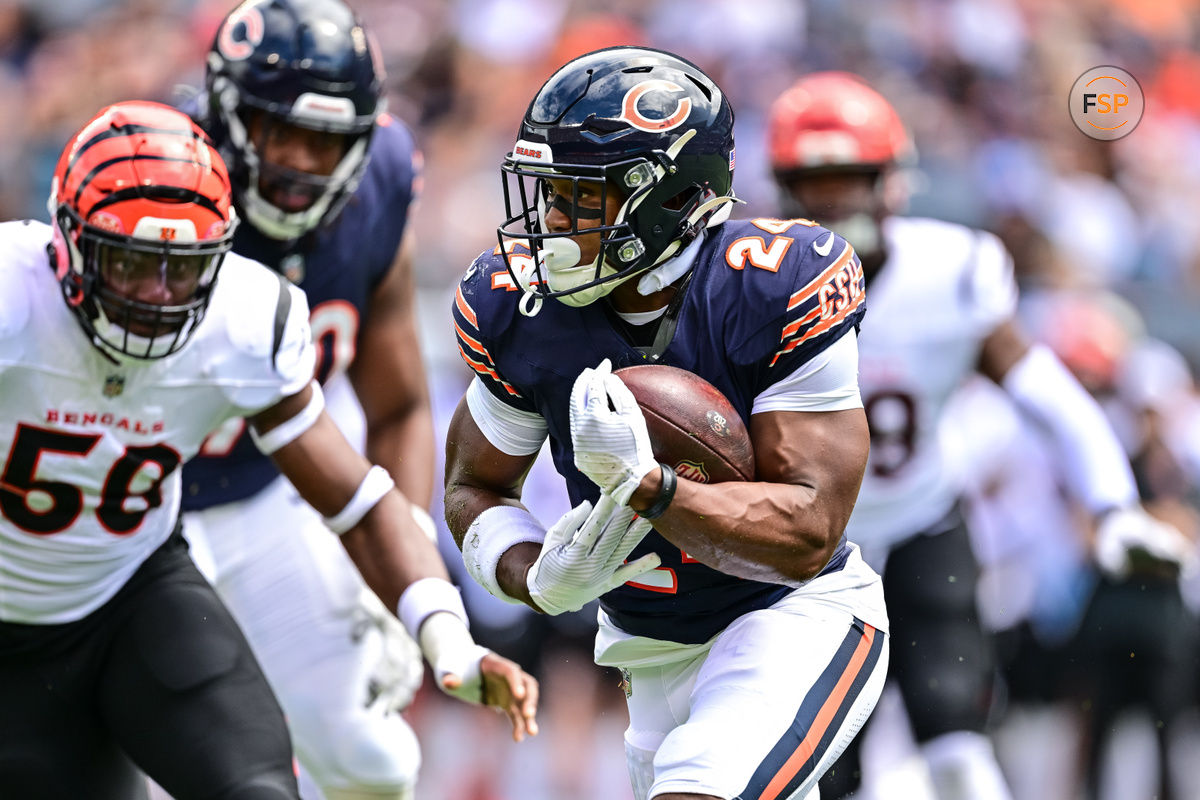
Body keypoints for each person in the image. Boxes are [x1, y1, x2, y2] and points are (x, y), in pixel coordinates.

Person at [0, 100, 537, 800]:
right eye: (131, 262)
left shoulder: (244, 317)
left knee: (257, 787)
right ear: (68, 242)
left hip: (128, 595)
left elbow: (357, 500)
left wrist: (445, 637)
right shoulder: (15, 298)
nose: (157, 296)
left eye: (182, 267)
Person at [444, 46, 890, 800]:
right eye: (548, 191)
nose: (550, 219)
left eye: (579, 196)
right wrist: (536, 575)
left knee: (696, 789)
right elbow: (471, 486)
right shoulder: (521, 310)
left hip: (789, 615)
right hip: (645, 646)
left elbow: (809, 530)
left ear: (667, 196)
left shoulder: (768, 285)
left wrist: (652, 490)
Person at [765, 71, 1192, 800]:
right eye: (815, 181)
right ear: (784, 186)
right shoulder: (752, 285)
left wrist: (1114, 503)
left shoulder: (951, 272)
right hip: (811, 549)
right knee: (819, 774)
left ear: (892, 182)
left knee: (958, 751)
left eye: (850, 178)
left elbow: (1049, 395)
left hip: (926, 523)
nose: (833, 201)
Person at [178, 2, 436, 797]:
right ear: (225, 115)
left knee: (374, 764)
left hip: (262, 505)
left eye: (323, 141)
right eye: (276, 130)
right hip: (134, 514)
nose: (295, 163)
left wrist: (397, 570)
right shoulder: (162, 183)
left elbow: (399, 409)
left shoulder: (381, 185)